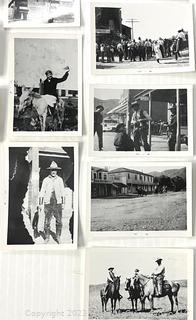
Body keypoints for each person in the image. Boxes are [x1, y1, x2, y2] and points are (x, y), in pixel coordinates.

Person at [39, 161, 65, 244]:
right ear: (50, 171)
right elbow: (42, 191)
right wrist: (40, 204)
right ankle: (46, 238)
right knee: (47, 222)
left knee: (59, 221)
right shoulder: (46, 180)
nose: (54, 172)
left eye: (55, 170)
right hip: (48, 203)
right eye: (52, 170)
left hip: (58, 203)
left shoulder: (60, 180)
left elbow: (63, 192)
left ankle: (58, 237)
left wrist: (63, 203)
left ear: (57, 171)